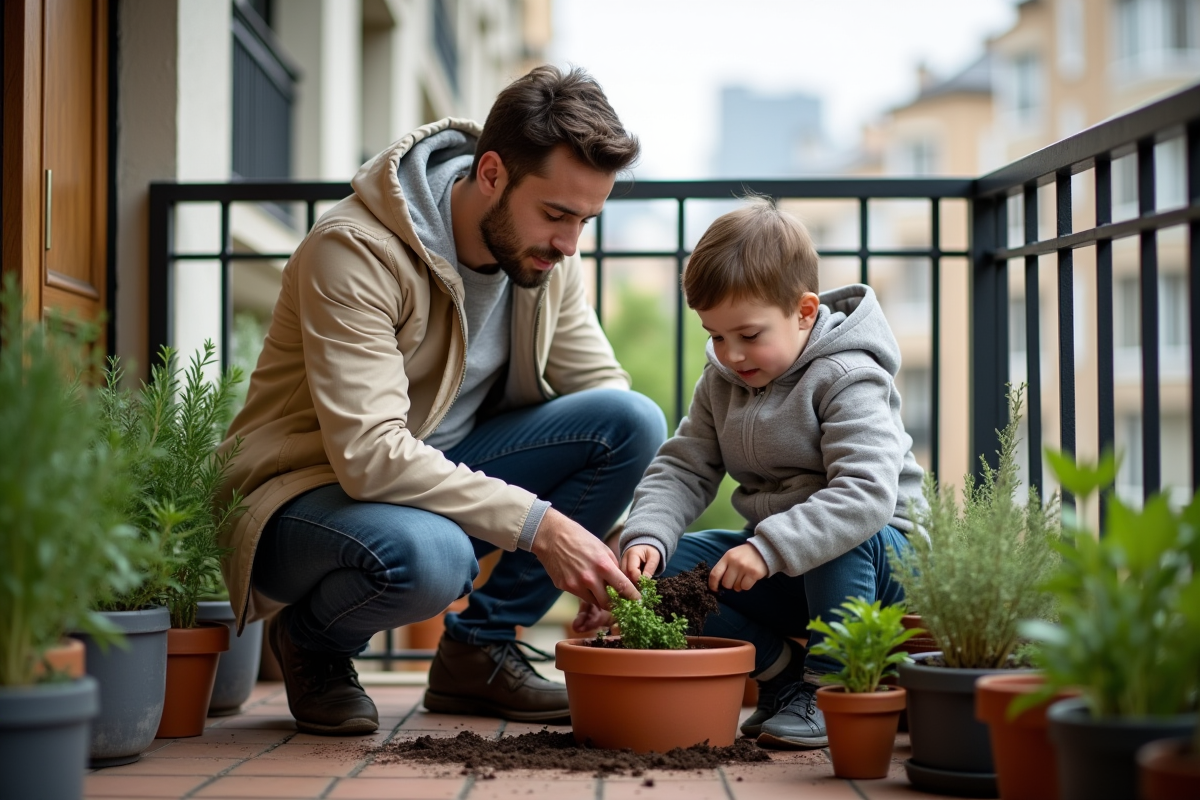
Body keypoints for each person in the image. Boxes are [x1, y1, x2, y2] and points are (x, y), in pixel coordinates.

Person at [215, 65, 667, 736]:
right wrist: (544, 527)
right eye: (557, 214)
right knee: (432, 557)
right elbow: (370, 458)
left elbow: (603, 397)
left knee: (634, 422)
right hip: (305, 495)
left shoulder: (545, 261)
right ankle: (314, 644)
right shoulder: (353, 252)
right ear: (491, 173)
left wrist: (608, 536)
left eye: (586, 220)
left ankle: (478, 652)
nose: (571, 244)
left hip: (438, 472)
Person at [581, 197, 927, 749]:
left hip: (882, 561)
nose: (731, 354)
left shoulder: (848, 376)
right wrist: (644, 536)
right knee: (671, 570)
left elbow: (865, 497)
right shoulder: (721, 380)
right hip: (786, 560)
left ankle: (829, 686)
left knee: (839, 539)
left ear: (805, 311)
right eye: (716, 335)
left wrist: (766, 549)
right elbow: (683, 466)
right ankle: (780, 674)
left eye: (748, 334)